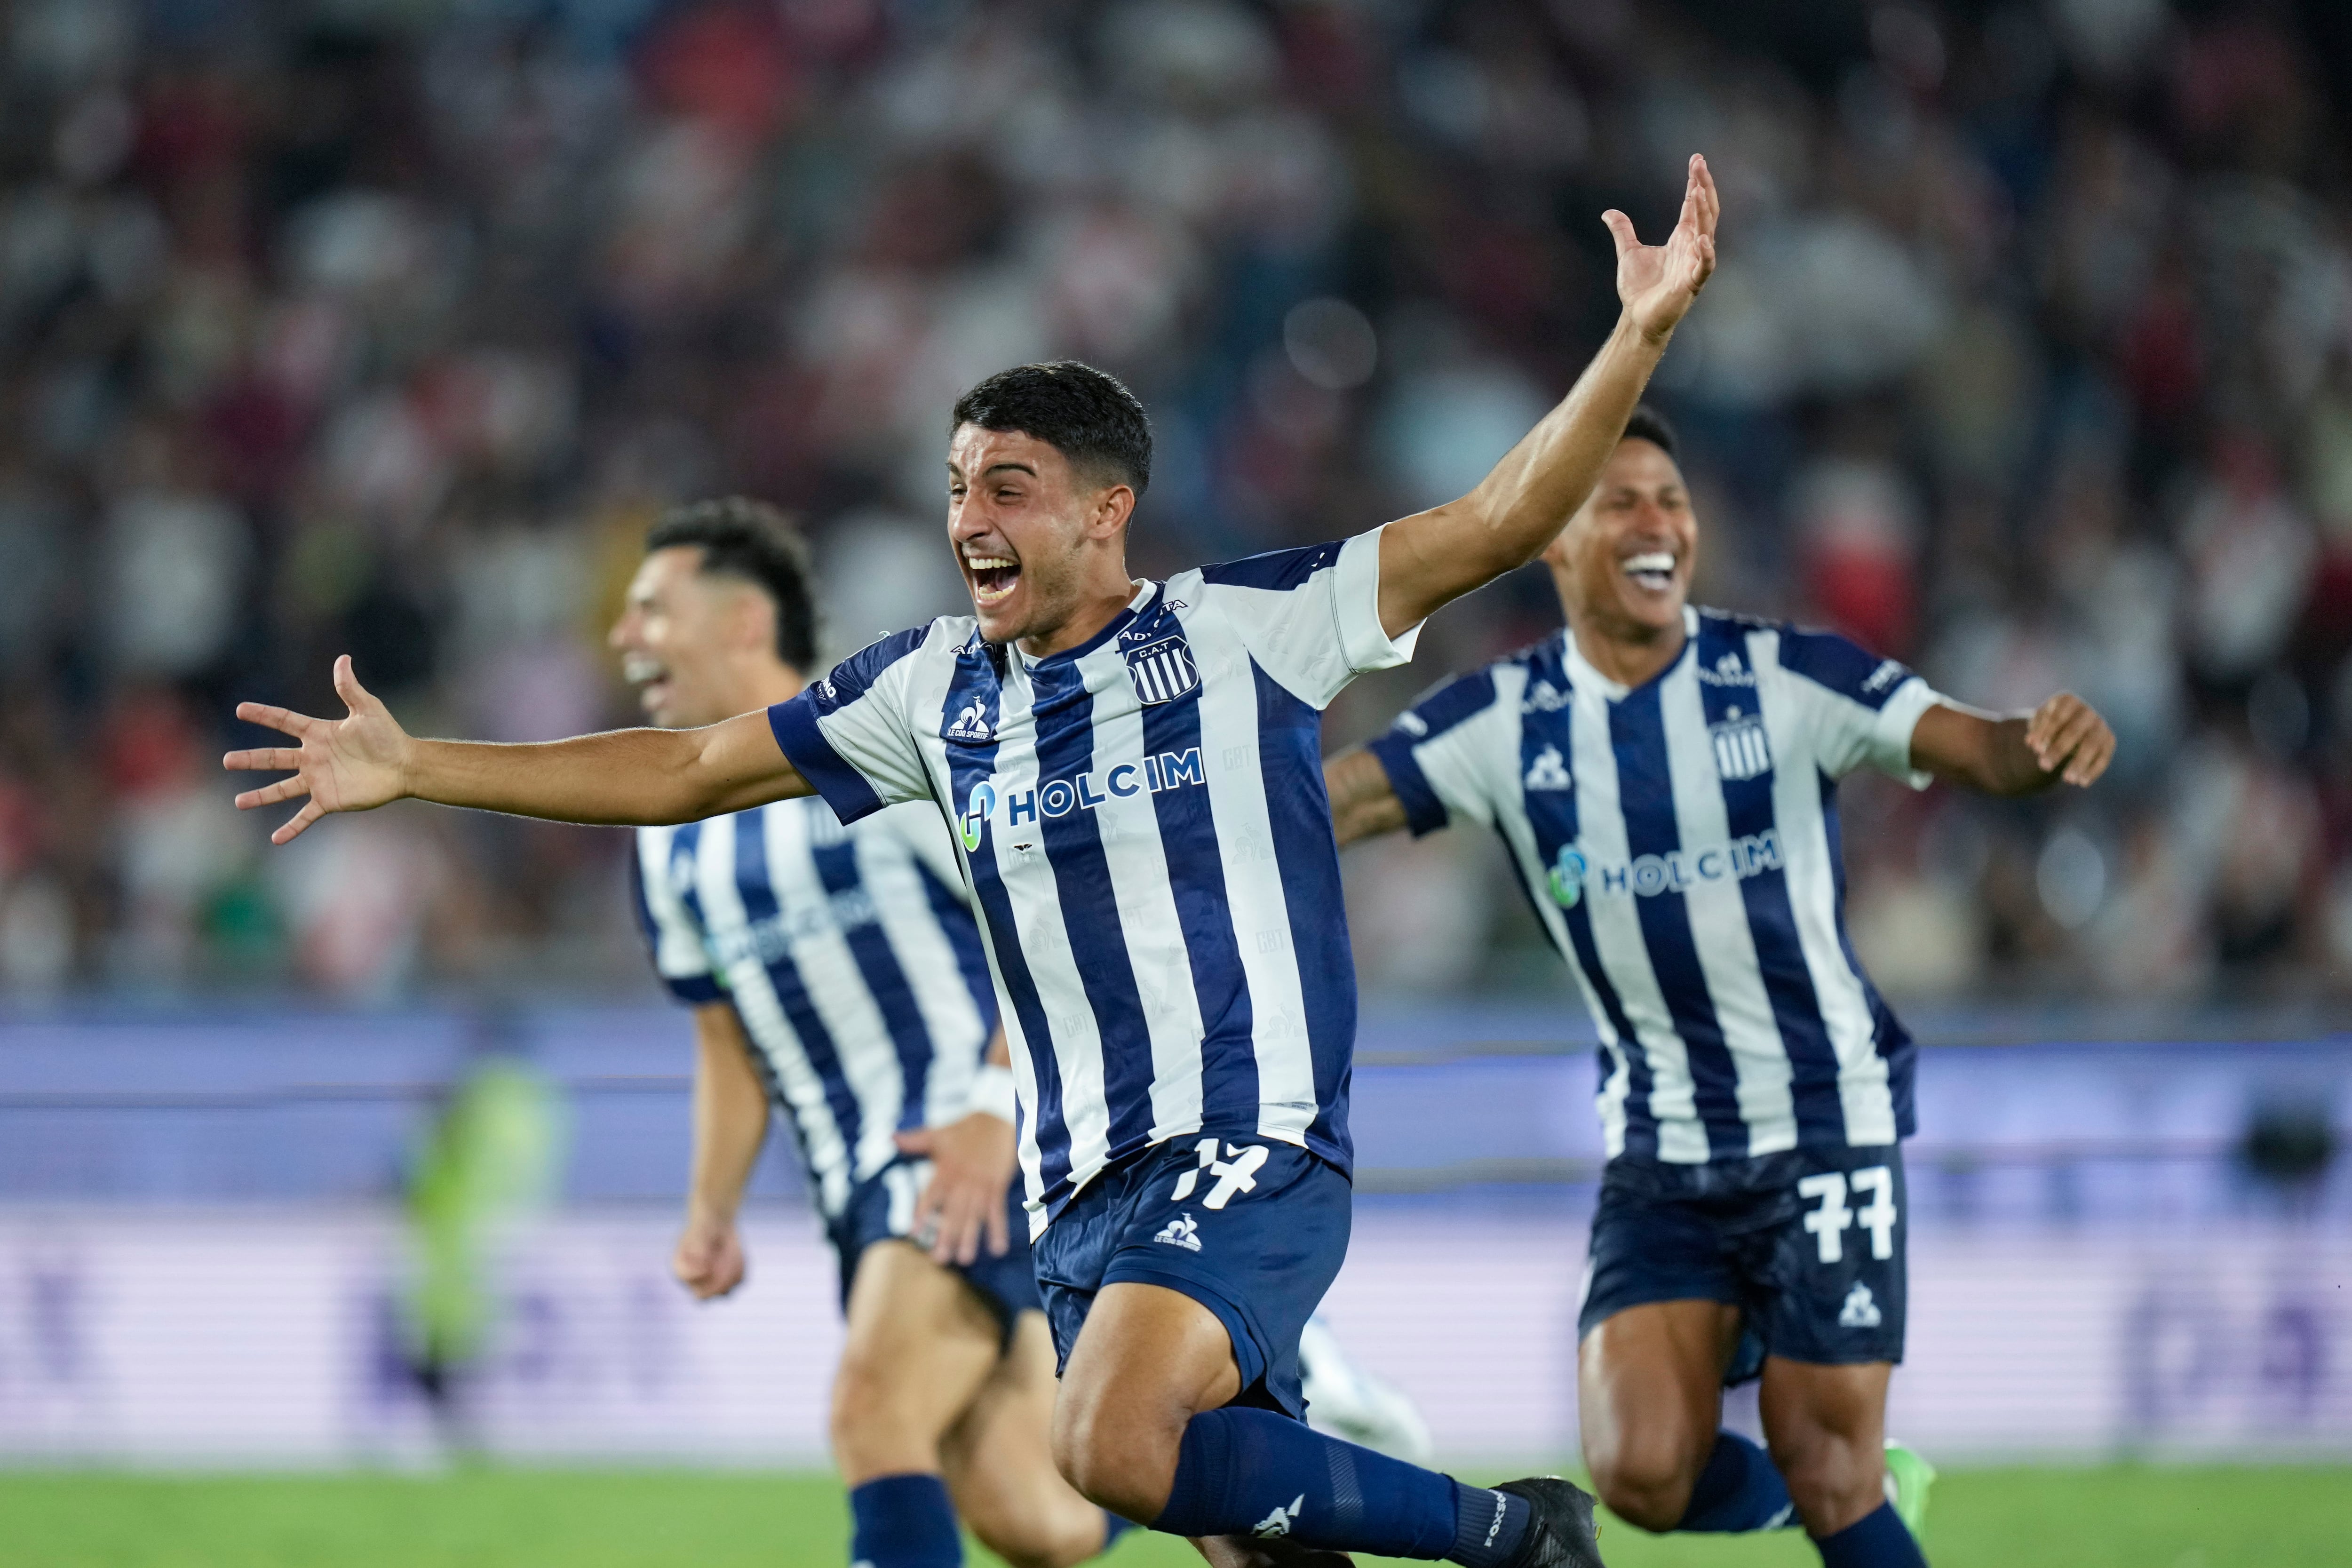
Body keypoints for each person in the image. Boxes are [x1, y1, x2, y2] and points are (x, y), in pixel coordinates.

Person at [227, 155, 1722, 1568]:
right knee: (1203, 1520)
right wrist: (421, 764)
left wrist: (1636, 333)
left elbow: (1508, 515)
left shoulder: (1250, 628)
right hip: (1080, 1188)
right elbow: (688, 767)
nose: (967, 519)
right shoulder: (923, 692)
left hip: (1246, 1140)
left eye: (1008, 486)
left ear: (1103, 510)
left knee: (1110, 1442)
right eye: (958, 486)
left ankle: (1522, 1533)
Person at [1323, 407, 2116, 1568]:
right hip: (1665, 1150)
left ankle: (1851, 1490)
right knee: (1641, 1470)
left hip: (1822, 1123)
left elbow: (1982, 748)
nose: (1656, 524)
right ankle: (1847, 1491)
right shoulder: (1504, 719)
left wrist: (2038, 743)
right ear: (1550, 535)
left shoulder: (1785, 675)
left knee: (1826, 1458)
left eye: (1671, 501)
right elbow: (1325, 804)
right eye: (1620, 502)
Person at [611, 497, 1117, 1568]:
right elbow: (727, 1040)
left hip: (972, 1145)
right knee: (1041, 1518)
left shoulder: (889, 747)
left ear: (745, 621)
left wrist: (990, 1111)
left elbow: (1052, 935)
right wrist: (711, 1204)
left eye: (652, 609)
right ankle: (1221, 1432)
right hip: (858, 1186)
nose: (624, 637)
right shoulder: (666, 844)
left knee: (870, 1410)